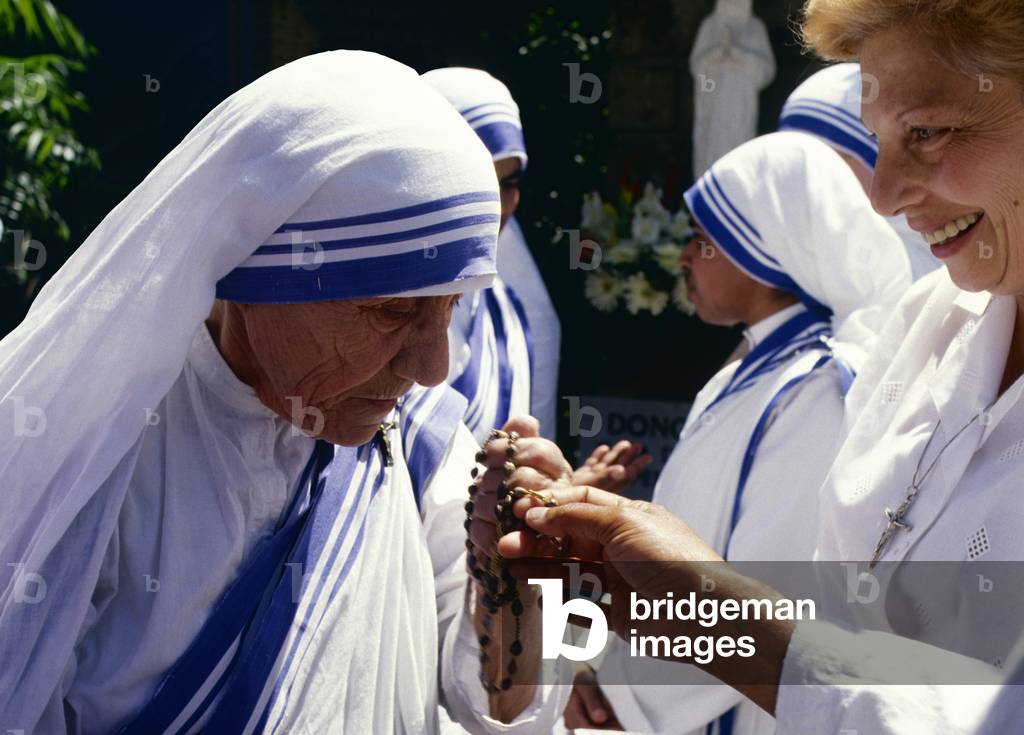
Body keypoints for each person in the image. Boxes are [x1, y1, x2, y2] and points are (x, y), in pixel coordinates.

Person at [0, 51, 571, 734]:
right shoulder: (95, 452)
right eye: (394, 312)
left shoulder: (419, 438)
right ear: (255, 278)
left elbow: (497, 706)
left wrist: (514, 587)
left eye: (450, 309)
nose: (433, 366)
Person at [502, 0, 1024, 732]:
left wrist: (717, 623)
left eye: (929, 132)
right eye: (876, 143)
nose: (881, 194)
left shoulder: (830, 372)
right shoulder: (921, 326)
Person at [568, 133, 911, 734]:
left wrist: (617, 695)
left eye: (702, 242)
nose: (681, 259)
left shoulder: (818, 393)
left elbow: (766, 590)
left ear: (766, 252)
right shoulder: (759, 369)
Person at [422, 67, 562, 443]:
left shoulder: (507, 302)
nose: (497, 207)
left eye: (509, 183)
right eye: (478, 180)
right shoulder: (373, 302)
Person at [778, 62, 939, 280]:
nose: (808, 180)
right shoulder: (784, 259)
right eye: (793, 166)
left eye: (833, 161)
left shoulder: (943, 272)